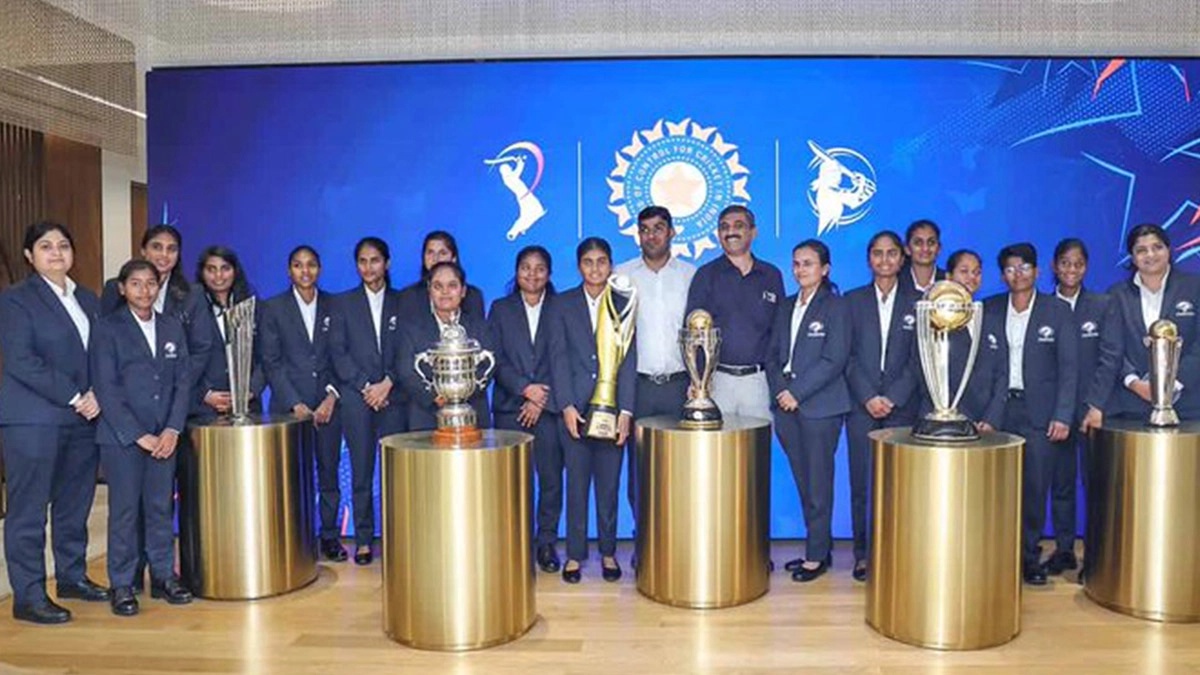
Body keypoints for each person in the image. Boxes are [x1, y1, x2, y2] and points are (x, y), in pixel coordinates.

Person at [0, 221, 106, 624]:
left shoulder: (88, 299)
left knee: (73, 505)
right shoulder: (16, 300)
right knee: (28, 511)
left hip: (82, 420)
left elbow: (100, 354)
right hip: (33, 420)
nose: (56, 252)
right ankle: (28, 595)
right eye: (45, 246)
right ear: (29, 256)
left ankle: (72, 576)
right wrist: (77, 395)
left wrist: (97, 393)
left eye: (63, 245)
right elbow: (23, 361)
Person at [92, 259, 195, 616]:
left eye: (150, 283)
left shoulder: (170, 326)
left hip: (164, 436)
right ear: (122, 288)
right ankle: (122, 584)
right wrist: (139, 435)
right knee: (124, 512)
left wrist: (171, 429)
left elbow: (183, 381)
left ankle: (164, 576)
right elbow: (106, 387)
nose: (144, 290)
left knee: (160, 508)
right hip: (123, 439)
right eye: (135, 284)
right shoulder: (107, 329)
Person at [983, 243, 1077, 586]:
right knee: (997, 489)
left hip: (1040, 412)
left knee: (1035, 488)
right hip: (1000, 411)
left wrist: (1063, 414)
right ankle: (997, 557)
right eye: (1010, 269)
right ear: (1003, 274)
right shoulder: (989, 309)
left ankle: (1027, 557)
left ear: (1038, 272)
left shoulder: (1057, 310)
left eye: (1024, 268)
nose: (1017, 274)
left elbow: (1070, 369)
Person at [549, 237, 636, 584]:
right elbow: (557, 357)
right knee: (577, 485)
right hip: (575, 411)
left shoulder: (624, 302)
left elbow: (630, 360)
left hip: (613, 410)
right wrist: (566, 405)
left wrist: (627, 411)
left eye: (602, 261)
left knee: (609, 486)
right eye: (588, 262)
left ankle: (610, 551)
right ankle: (574, 554)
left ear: (611, 265)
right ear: (579, 266)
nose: (596, 268)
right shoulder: (563, 304)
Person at [614, 205, 696, 567]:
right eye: (645, 229)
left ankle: (681, 544)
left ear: (672, 232)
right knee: (640, 472)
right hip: (639, 387)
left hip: (682, 386)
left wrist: (698, 382)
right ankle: (645, 542)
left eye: (659, 228)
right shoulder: (621, 276)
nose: (651, 235)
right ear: (638, 234)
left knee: (684, 470)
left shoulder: (692, 276)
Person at [767, 239, 851, 583]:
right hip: (786, 409)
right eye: (797, 263)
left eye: (808, 263)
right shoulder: (786, 305)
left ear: (825, 269)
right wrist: (781, 392)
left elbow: (835, 359)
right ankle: (819, 546)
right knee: (804, 481)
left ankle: (816, 556)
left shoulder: (836, 306)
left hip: (820, 408)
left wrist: (797, 393)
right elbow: (772, 355)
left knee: (819, 483)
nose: (801, 269)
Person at [842, 230, 921, 582]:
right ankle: (863, 554)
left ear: (901, 259)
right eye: (878, 254)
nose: (885, 260)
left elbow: (921, 359)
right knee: (862, 483)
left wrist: (894, 397)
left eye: (891, 254)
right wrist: (869, 397)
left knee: (901, 486)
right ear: (869, 259)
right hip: (862, 408)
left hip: (903, 408)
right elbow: (847, 355)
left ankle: (898, 552)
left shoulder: (920, 302)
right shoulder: (851, 300)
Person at [259, 245, 346, 562]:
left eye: (311, 265)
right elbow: (272, 362)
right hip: (288, 409)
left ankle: (330, 537)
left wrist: (331, 396)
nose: (305, 271)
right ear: (289, 270)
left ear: (319, 269)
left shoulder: (336, 306)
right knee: (291, 477)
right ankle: (294, 539)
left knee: (329, 474)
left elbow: (343, 356)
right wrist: (294, 402)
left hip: (328, 407)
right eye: (298, 265)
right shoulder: (273, 308)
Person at [330, 237, 406, 565]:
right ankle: (363, 539)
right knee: (361, 471)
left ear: (386, 263)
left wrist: (387, 384)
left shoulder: (405, 302)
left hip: (395, 397)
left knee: (396, 474)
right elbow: (338, 352)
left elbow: (409, 349)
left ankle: (397, 539)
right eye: (362, 261)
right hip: (357, 399)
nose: (369, 267)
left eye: (375, 260)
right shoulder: (342, 303)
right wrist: (366, 387)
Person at [489, 246, 564, 573]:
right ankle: (514, 543)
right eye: (525, 268)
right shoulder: (501, 309)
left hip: (549, 411)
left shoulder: (561, 308)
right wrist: (525, 390)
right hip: (510, 409)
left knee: (550, 480)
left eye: (539, 269)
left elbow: (565, 358)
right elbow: (493, 360)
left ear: (549, 274)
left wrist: (540, 397)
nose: (532, 275)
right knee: (512, 483)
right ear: (516, 272)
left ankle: (545, 543)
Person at [1085, 224, 1200, 427]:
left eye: (1157, 247)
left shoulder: (1194, 287)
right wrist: (1134, 383)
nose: (1150, 255)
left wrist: (1171, 385)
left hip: (1187, 406)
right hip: (1130, 405)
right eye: (1141, 250)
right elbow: (1112, 349)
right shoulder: (1116, 295)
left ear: (1168, 249)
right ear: (1132, 256)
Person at [1046, 238, 1109, 578]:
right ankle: (1065, 549)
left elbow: (1108, 360)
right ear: (1055, 266)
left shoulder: (1102, 305)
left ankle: (1096, 558)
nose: (1071, 269)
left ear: (1086, 267)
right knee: (1062, 484)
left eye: (1078, 264)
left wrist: (1095, 405)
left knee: (1095, 485)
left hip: (1091, 414)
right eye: (1065, 263)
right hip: (1055, 414)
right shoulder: (1042, 307)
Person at [685, 205, 784, 421]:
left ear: (753, 232)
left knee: (756, 450)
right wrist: (699, 380)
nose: (731, 232)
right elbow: (693, 334)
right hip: (717, 382)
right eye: (724, 227)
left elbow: (780, 332)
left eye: (739, 226)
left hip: (759, 381)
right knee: (718, 452)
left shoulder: (771, 275)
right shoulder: (706, 275)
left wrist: (778, 381)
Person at [916, 249, 1008, 433]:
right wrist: (959, 418)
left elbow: (1002, 372)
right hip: (944, 421)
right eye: (964, 271)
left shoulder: (991, 318)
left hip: (986, 424)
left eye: (977, 272)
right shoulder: (932, 320)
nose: (971, 277)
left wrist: (992, 418)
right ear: (949, 277)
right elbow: (924, 372)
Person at [396, 261, 493, 431]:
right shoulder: (412, 329)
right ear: (429, 290)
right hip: (425, 417)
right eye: (438, 286)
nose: (445, 292)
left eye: (452, 286)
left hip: (473, 415)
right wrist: (435, 397)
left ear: (463, 291)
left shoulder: (481, 327)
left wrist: (460, 394)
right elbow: (406, 370)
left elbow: (488, 366)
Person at [193, 246, 265, 418]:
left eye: (225, 268)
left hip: (248, 407)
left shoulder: (252, 306)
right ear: (202, 273)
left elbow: (267, 355)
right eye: (211, 269)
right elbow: (183, 360)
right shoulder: (191, 308)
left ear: (235, 271)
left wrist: (251, 390)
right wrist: (204, 394)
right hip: (204, 409)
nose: (219, 276)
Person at [397, 231, 486, 320]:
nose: (435, 259)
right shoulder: (408, 296)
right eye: (430, 253)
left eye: (442, 253)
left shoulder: (473, 296)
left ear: (453, 258)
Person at [897, 219, 945, 296]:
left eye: (931, 242)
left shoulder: (949, 282)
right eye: (918, 243)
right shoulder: (894, 283)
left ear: (939, 248)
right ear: (907, 249)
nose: (925, 248)